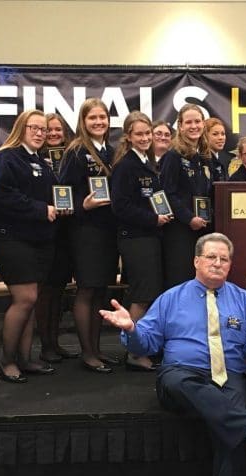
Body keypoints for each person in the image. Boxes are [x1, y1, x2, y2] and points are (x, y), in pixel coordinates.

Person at [100, 232, 246, 476]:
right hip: (182, 376)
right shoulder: (171, 298)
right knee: (175, 380)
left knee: (228, 437)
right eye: (211, 257)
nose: (218, 263)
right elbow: (147, 344)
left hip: (229, 376)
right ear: (196, 261)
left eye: (224, 259)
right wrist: (131, 330)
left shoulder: (243, 300)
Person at [0, 109, 58, 383]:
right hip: (10, 239)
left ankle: (25, 358)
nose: (40, 133)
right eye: (34, 127)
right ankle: (6, 361)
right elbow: (2, 196)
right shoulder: (6, 158)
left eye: (44, 129)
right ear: (21, 128)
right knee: (25, 298)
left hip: (38, 240)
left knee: (30, 301)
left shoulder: (41, 161)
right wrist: (42, 209)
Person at [59, 98, 120, 373]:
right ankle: (87, 352)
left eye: (103, 117)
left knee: (100, 291)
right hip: (84, 231)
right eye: (92, 118)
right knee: (86, 290)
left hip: (108, 230)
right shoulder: (75, 151)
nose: (98, 122)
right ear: (83, 122)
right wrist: (82, 205)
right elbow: (64, 193)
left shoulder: (112, 151)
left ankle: (97, 349)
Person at [111, 111, 171, 371]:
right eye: (140, 134)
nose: (145, 138)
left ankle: (144, 345)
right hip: (136, 238)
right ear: (128, 136)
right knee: (142, 296)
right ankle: (134, 353)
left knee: (149, 294)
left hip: (150, 237)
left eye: (148, 133)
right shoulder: (126, 166)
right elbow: (120, 207)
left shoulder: (147, 163)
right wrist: (152, 219)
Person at [161, 103, 224, 288]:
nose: (194, 126)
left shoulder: (205, 156)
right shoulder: (173, 155)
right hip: (180, 231)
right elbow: (167, 193)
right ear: (180, 126)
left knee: (200, 282)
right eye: (188, 122)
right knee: (180, 282)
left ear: (203, 124)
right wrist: (189, 218)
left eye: (197, 121)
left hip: (203, 230)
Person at [36, 113, 79, 363]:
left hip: (66, 232)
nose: (52, 134)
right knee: (44, 293)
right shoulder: (34, 158)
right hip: (43, 232)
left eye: (57, 130)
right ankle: (45, 345)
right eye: (48, 130)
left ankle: (55, 341)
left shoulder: (70, 158)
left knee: (58, 291)